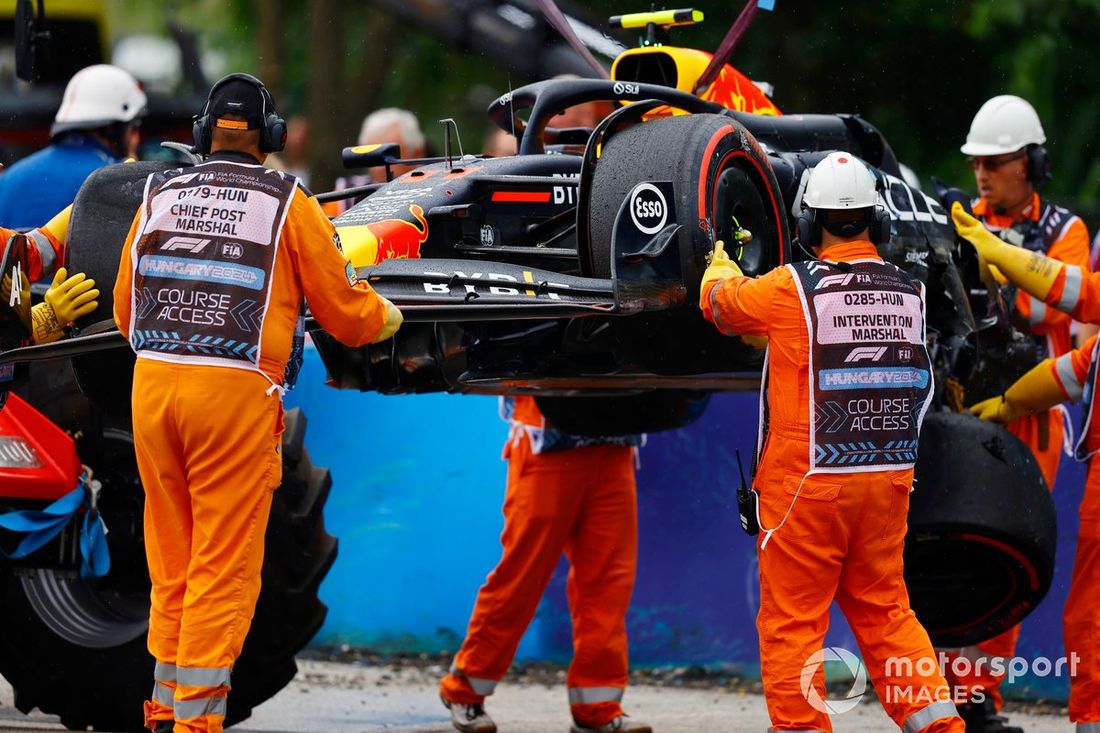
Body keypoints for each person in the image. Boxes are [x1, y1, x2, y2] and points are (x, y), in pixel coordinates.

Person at [112, 73, 403, 733]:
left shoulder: (160, 192)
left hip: (152, 391)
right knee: (222, 567)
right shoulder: (287, 201)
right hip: (232, 399)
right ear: (271, 137)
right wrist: (386, 316)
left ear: (202, 133)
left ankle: (164, 708)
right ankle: (196, 722)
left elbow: (127, 310)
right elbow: (344, 311)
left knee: (172, 559)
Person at [700, 151, 964, 733]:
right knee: (888, 613)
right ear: (877, 220)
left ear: (807, 223)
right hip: (886, 487)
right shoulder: (909, 293)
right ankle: (940, 726)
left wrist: (717, 263)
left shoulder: (790, 289)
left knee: (793, 625)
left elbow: (723, 305)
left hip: (806, 492)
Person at [947, 95, 1090, 731]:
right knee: (955, 551)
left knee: (1010, 554)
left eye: (995, 162)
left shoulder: (1066, 230)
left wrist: (996, 262)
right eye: (976, 163)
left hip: (1035, 414)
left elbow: (1053, 308)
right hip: (965, 405)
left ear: (1029, 163)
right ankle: (947, 691)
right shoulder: (958, 218)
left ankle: (980, 696)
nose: (982, 174)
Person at [438, 395, 649, 733]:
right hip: (545, 445)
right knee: (521, 577)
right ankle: (464, 690)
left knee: (609, 585)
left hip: (614, 447)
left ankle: (597, 707)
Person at [0, 64, 146, 229]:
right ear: (113, 129)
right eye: (134, 128)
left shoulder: (7, 181)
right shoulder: (121, 185)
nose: (137, 139)